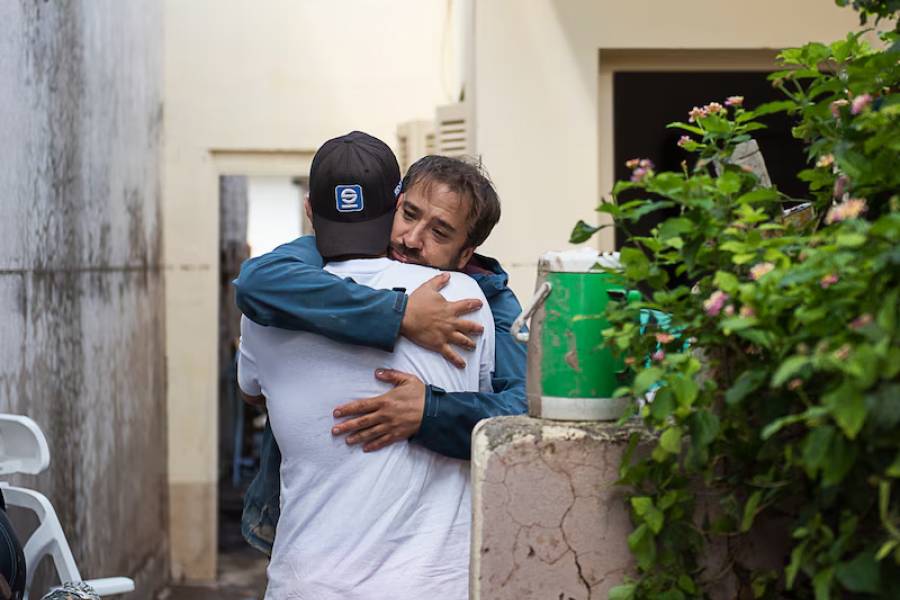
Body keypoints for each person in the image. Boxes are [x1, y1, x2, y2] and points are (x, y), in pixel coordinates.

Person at [237, 131, 494, 598]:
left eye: (439, 231)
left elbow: (251, 391)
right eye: (410, 216)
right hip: (429, 585)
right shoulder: (461, 299)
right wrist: (397, 316)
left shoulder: (266, 310)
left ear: (309, 210)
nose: (413, 240)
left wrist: (428, 411)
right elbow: (503, 411)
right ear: (394, 205)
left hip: (306, 584)